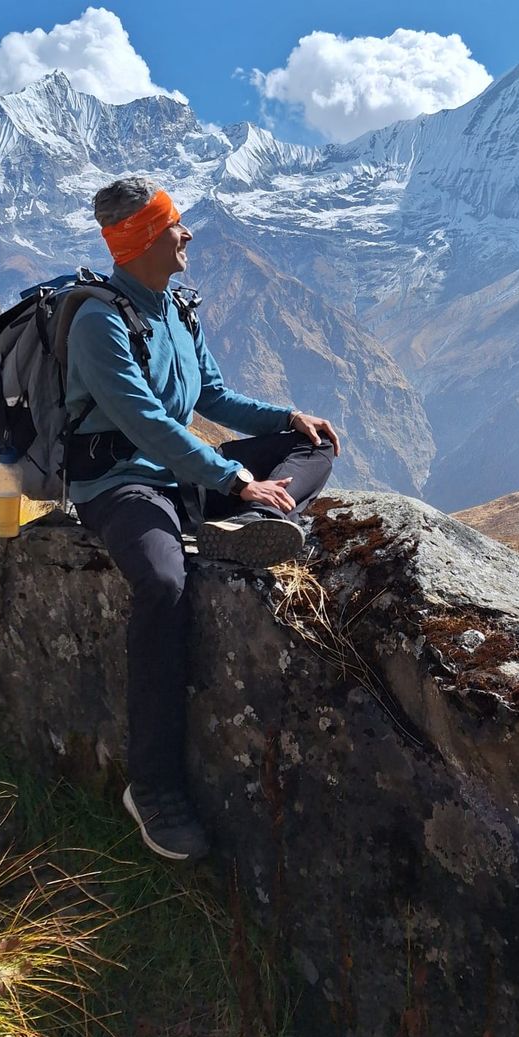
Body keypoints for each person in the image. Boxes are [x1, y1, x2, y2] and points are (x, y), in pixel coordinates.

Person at [65, 174, 340, 861]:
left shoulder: (177, 310)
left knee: (316, 445)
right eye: (174, 226)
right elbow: (146, 423)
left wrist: (285, 420)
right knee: (162, 585)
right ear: (145, 239)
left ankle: (248, 527)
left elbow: (212, 395)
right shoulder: (99, 322)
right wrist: (234, 478)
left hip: (183, 481)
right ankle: (151, 787)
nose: (187, 234)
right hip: (121, 488)